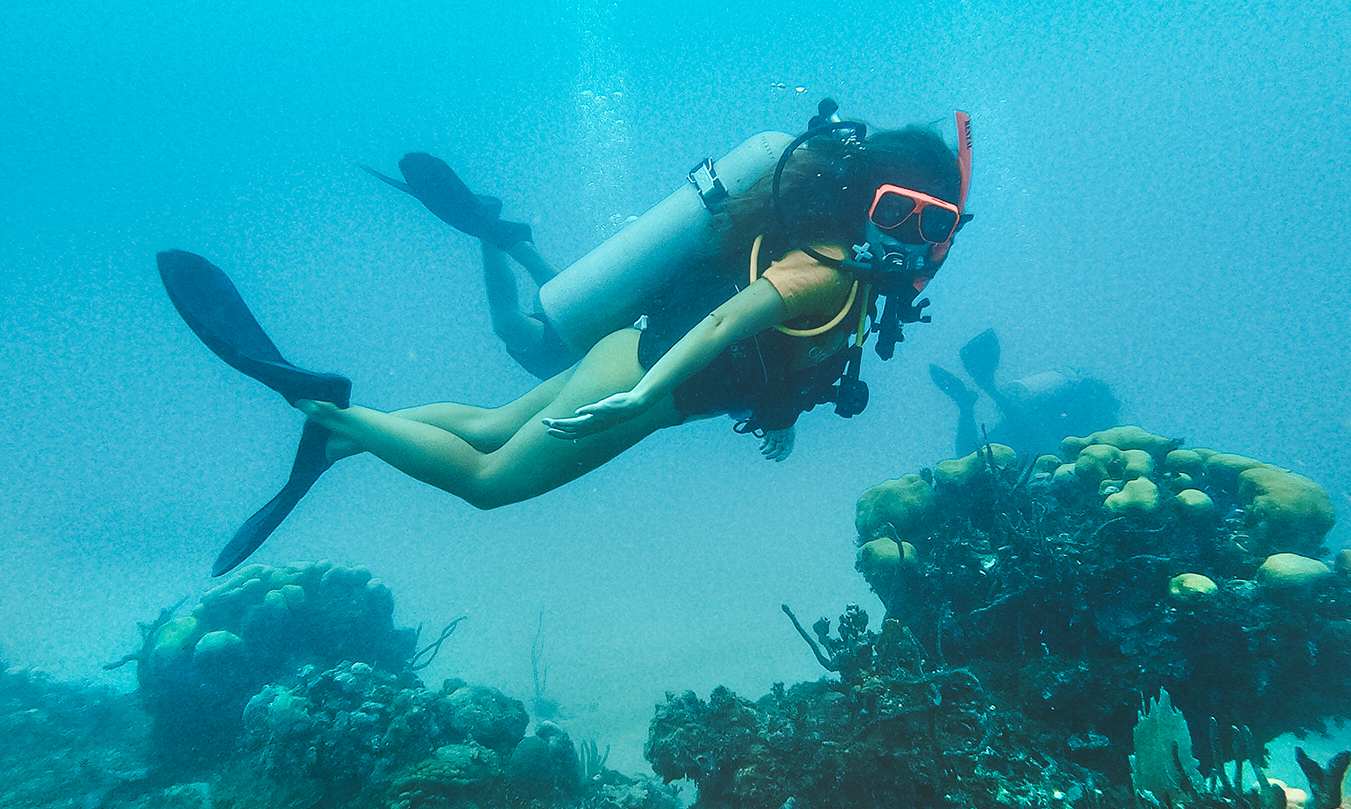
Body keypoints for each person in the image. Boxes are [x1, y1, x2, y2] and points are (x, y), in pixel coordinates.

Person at [158, 111, 972, 573]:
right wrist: (650, 395)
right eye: (902, 212)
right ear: (864, 198)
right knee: (486, 482)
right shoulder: (831, 271)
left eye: (934, 225)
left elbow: (791, 352)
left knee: (483, 427)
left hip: (634, 353)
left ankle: (340, 444)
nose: (915, 237)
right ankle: (328, 415)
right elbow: (730, 321)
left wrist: (782, 417)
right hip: (646, 378)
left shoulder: (857, 277)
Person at [361, 152, 575, 382]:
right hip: (589, 358)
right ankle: (502, 236)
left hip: (582, 367)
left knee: (515, 322)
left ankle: (491, 231)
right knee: (559, 303)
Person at [929, 329, 1122, 458]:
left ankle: (968, 402)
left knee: (968, 458)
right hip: (1030, 435)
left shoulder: (1083, 413)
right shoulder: (1098, 424)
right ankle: (981, 392)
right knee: (970, 458)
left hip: (1023, 432)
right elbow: (1047, 442)